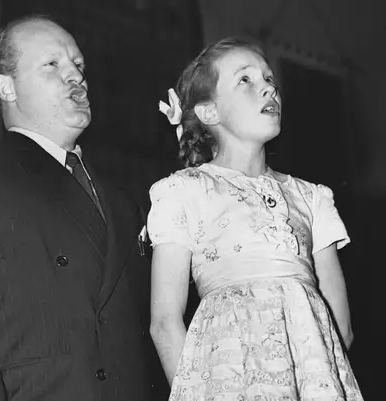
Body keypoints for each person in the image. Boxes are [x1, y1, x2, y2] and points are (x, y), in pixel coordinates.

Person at [0, 14, 157, 401]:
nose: (75, 76)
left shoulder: (127, 200)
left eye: (78, 65)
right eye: (52, 65)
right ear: (6, 87)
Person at [147, 37, 363, 400]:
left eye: (269, 78)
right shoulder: (183, 192)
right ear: (209, 112)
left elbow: (340, 328)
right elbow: (164, 322)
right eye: (245, 80)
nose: (268, 87)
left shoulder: (312, 198)